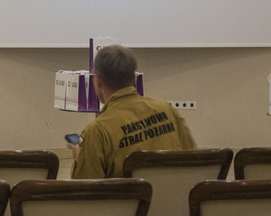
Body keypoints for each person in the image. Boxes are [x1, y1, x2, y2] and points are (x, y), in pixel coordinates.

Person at [69, 45, 196, 179]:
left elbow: (85, 193)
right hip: (174, 199)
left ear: (98, 81)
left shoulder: (96, 132)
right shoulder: (168, 110)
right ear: (135, 80)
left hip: (125, 200)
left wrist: (81, 157)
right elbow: (192, 162)